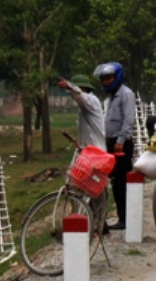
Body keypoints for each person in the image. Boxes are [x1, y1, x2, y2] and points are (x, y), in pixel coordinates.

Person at [93, 62, 136, 231]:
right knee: (113, 181)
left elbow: (128, 120)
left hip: (121, 145)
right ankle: (118, 216)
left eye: (108, 78)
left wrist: (120, 142)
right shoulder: (111, 96)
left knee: (121, 182)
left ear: (117, 77)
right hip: (111, 143)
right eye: (103, 79)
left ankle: (125, 218)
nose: (105, 81)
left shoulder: (126, 94)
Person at [57, 74, 105, 149]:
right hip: (88, 149)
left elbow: (79, 95)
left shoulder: (91, 100)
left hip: (96, 150)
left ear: (82, 88)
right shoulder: (84, 106)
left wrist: (68, 85)